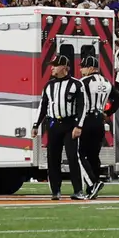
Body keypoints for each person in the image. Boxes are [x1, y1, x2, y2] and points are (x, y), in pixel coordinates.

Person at [35, 54, 85, 201]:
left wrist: (79, 126)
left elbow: (83, 106)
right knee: (53, 158)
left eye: (55, 66)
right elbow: (43, 106)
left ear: (64, 67)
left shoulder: (76, 84)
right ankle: (55, 191)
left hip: (70, 124)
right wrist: (35, 125)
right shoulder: (49, 85)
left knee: (72, 157)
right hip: (53, 124)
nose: (52, 68)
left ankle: (78, 190)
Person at [75, 53, 119, 200]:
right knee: (94, 156)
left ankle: (92, 184)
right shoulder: (106, 81)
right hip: (99, 121)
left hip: (87, 119)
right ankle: (92, 189)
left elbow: (78, 103)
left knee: (81, 154)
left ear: (90, 68)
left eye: (83, 67)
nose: (81, 70)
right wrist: (107, 113)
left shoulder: (83, 82)